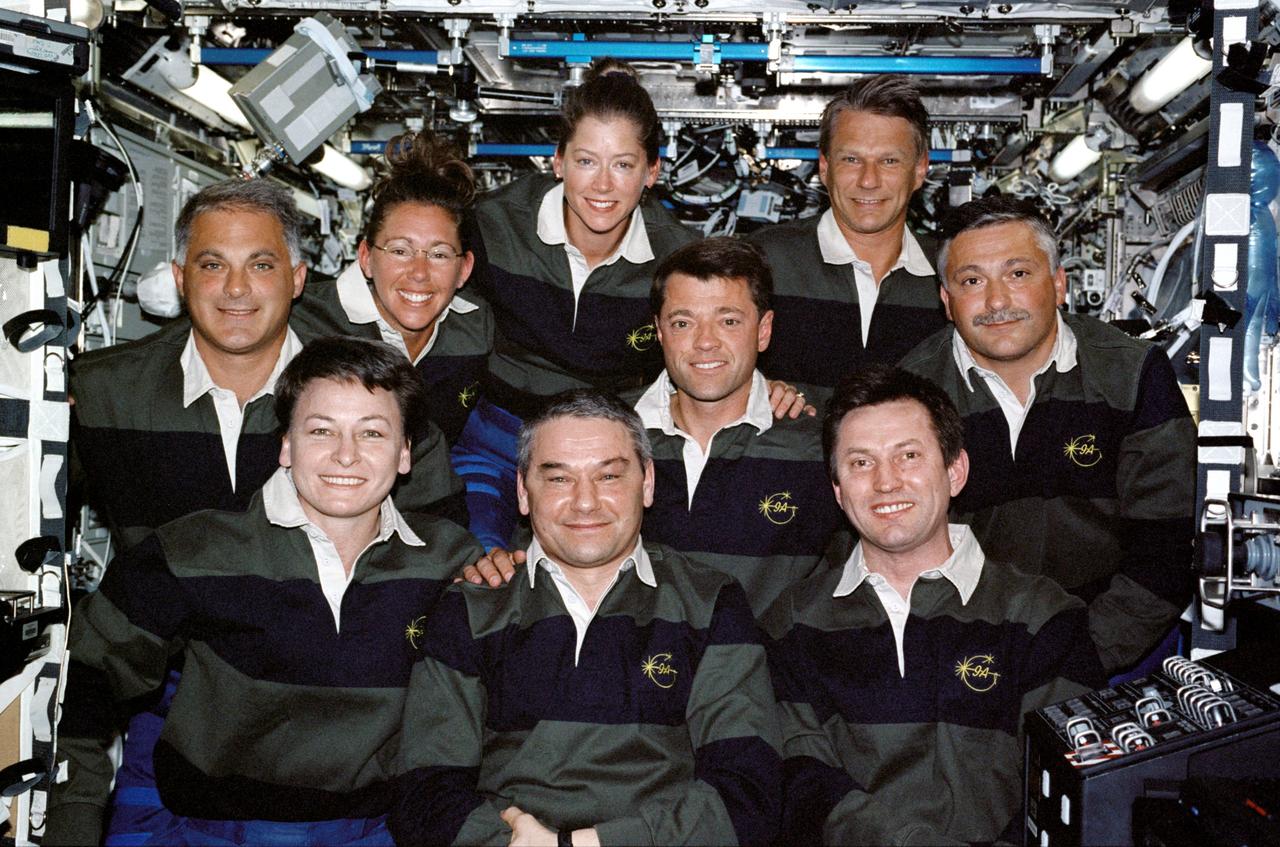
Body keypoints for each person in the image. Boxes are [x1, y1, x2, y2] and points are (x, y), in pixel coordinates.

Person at [66, 178, 467, 844]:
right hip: (170, 698)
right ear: (175, 277)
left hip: (336, 716)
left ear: (299, 276)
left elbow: (439, 541)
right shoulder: (102, 393)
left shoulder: (357, 395)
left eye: (260, 264)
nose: (236, 289)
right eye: (211, 264)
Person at [391, 390, 782, 847]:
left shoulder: (710, 602)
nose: (584, 502)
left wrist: (587, 845)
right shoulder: (473, 607)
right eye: (558, 479)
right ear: (522, 490)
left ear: (648, 482)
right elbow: (424, 791)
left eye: (609, 476)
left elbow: (747, 791)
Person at [453, 57, 804, 553]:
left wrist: (766, 387)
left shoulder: (675, 258)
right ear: (557, 161)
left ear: (652, 172)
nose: (602, 185)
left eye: (623, 165)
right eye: (586, 161)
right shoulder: (491, 226)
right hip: (495, 445)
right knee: (480, 569)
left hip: (601, 462)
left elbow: (712, 339)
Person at [763, 365, 1106, 845]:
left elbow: (1065, 790)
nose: (886, 482)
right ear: (838, 491)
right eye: (861, 463)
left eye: (908, 455)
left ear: (955, 471)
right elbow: (802, 783)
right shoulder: (792, 623)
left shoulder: (1043, 618)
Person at [900, 196, 1196, 676]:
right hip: (964, 653)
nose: (997, 302)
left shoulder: (1131, 375)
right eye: (972, 281)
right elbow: (898, 547)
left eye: (1018, 274)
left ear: (1059, 284)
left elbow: (1168, 544)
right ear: (946, 300)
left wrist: (1090, 655)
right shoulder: (909, 394)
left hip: (1118, 648)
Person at [636, 237, 846, 616]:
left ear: (763, 331)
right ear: (660, 331)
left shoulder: (820, 445)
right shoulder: (610, 436)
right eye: (683, 322)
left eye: (728, 321)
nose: (705, 342)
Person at [749, 74, 945, 409]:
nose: (869, 180)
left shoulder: (953, 274)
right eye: (851, 159)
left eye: (889, 161)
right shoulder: (762, 260)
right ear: (825, 168)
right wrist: (753, 388)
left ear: (920, 170)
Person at [291, 131, 493, 445]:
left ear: (464, 269)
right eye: (400, 251)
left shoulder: (476, 329)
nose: (419, 273)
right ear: (366, 257)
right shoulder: (301, 324)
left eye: (439, 255)